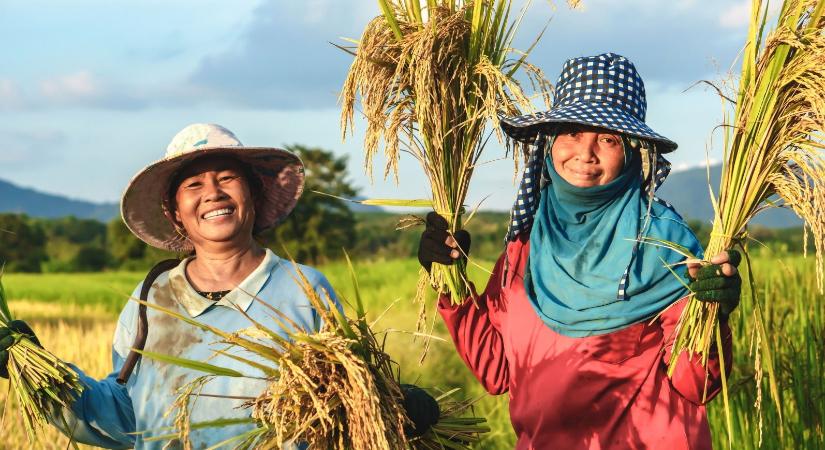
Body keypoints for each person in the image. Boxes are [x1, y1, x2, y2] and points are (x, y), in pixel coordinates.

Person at [418, 53, 742, 449]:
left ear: (632, 152)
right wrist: (451, 281)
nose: (585, 153)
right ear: (550, 141)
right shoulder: (525, 247)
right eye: (571, 132)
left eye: (607, 138)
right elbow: (498, 371)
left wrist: (713, 315)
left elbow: (696, 386)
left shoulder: (663, 245)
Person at [1, 124, 336, 448]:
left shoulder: (304, 291)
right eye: (193, 184)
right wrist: (38, 370)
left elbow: (344, 410)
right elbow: (125, 414)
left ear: (253, 193)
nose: (213, 193)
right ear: (175, 212)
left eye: (227, 178)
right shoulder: (152, 298)